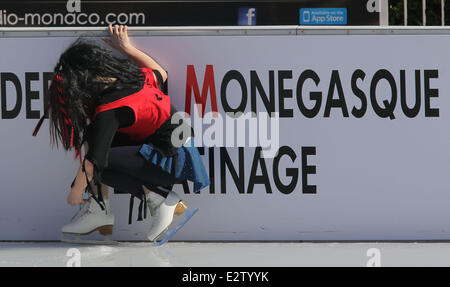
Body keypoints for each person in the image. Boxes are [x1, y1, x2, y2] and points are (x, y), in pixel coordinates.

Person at [33, 25, 210, 244]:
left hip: (171, 158)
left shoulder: (109, 108)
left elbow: (92, 163)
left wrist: (75, 193)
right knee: (94, 141)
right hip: (180, 151)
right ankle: (112, 208)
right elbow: (161, 73)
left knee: (96, 159)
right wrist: (127, 49)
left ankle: (158, 199)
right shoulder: (134, 78)